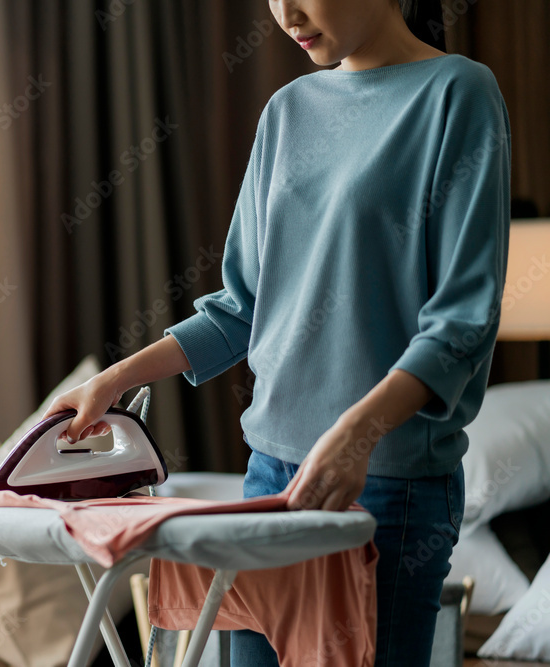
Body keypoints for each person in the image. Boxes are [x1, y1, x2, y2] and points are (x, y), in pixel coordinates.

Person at [43, 0, 511, 664]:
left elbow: (463, 319)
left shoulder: (457, 95)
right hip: (267, 478)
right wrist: (111, 381)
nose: (286, 13)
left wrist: (357, 433)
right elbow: (240, 307)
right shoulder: (287, 113)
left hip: (386, 486)